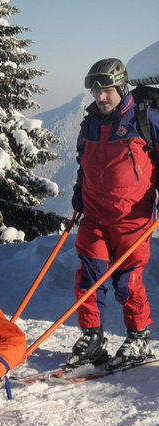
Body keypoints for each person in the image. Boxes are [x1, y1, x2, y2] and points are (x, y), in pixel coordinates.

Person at [68, 58, 159, 368]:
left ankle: (138, 337)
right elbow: (84, 163)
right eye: (96, 92)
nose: (101, 97)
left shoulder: (145, 119)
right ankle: (92, 337)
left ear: (121, 87)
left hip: (132, 219)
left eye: (106, 91)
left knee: (127, 281)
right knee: (88, 278)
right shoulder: (90, 123)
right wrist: (79, 190)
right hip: (94, 216)